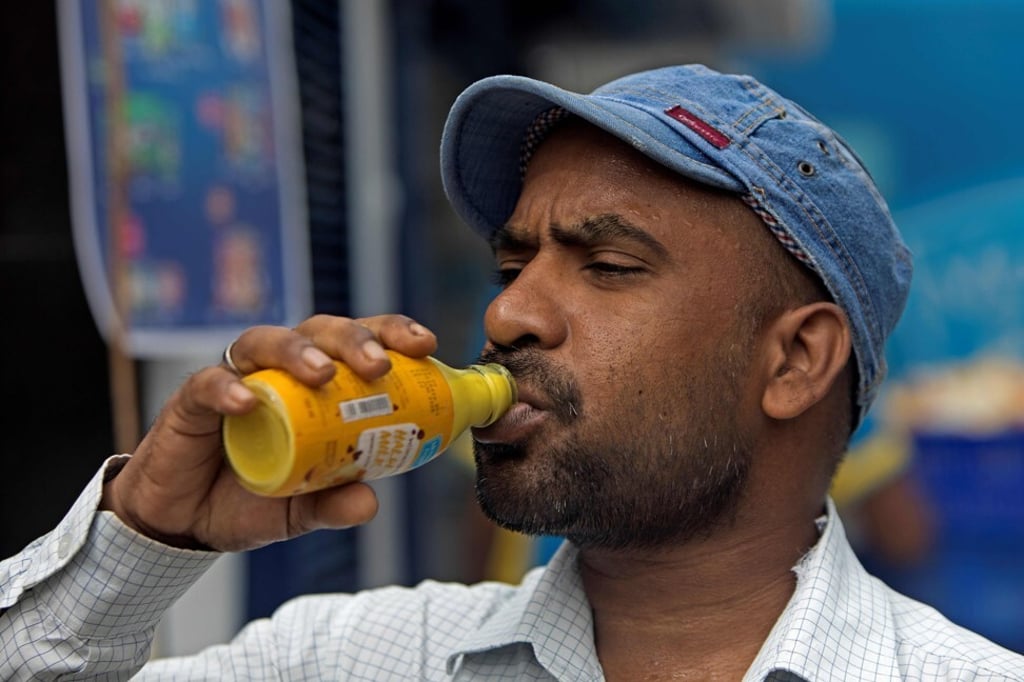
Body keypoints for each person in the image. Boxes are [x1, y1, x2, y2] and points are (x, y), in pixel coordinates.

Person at [2, 64, 1022, 681]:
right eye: (510, 261)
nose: (506, 312)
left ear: (795, 359)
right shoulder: (353, 656)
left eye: (608, 265)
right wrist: (141, 538)